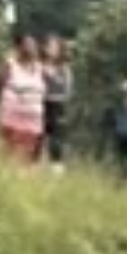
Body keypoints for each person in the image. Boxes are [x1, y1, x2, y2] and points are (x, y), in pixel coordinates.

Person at [0, 37, 49, 165]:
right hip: (12, 117)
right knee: (10, 150)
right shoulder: (11, 65)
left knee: (27, 155)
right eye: (28, 45)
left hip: (34, 120)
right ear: (20, 48)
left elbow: (44, 92)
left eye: (33, 46)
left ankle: (21, 177)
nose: (31, 49)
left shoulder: (40, 69)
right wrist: (2, 102)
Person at [38, 36, 75, 169]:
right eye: (49, 46)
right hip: (39, 105)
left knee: (56, 143)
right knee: (38, 140)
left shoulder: (64, 69)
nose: (51, 49)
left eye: (54, 46)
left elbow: (68, 91)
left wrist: (52, 78)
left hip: (57, 107)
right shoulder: (38, 66)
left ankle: (57, 171)